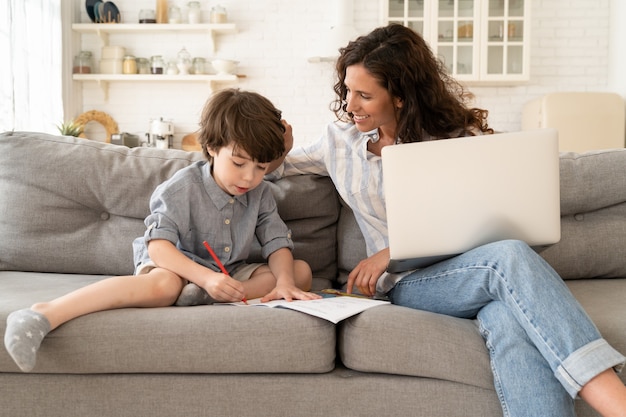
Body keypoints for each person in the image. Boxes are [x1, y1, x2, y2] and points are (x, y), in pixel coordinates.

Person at [269, 24, 626, 417]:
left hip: (470, 271)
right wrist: (276, 153)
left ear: (402, 96)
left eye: (365, 95)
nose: (350, 104)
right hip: (408, 285)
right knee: (507, 258)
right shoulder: (338, 141)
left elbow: (494, 221)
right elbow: (271, 172)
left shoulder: (457, 139)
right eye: (348, 90)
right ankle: (612, 397)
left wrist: (388, 251)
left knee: (509, 319)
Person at [4, 88, 320, 373]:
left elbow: (277, 242)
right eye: (239, 163)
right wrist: (205, 278)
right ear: (211, 147)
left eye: (261, 168)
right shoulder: (183, 187)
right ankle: (46, 313)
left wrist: (285, 284)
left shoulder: (259, 191)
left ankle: (204, 296)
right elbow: (158, 247)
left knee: (299, 272)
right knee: (166, 286)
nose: (250, 177)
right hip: (174, 263)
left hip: (225, 271)